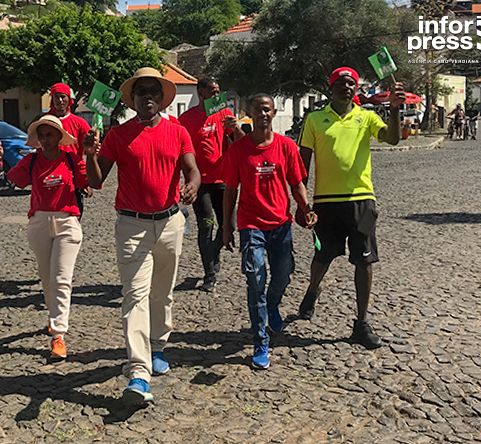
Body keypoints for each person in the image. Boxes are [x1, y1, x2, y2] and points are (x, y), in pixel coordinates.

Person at [83, 67, 200, 405]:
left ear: (161, 99)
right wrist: (90, 153)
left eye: (152, 91)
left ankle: (159, 345)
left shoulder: (177, 132)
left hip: (169, 224)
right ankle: (138, 372)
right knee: (134, 296)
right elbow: (95, 181)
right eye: (140, 91)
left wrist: (191, 185)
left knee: (162, 294)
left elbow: (192, 169)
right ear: (132, 99)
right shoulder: (118, 136)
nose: (146, 96)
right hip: (132, 227)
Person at [296, 66, 405, 349]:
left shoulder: (367, 116)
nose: (347, 86)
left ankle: (361, 322)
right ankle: (312, 289)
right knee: (323, 255)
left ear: (356, 89)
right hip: (325, 202)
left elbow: (392, 138)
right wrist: (301, 201)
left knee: (364, 260)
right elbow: (302, 163)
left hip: (361, 200)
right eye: (341, 82)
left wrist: (393, 110)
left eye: (351, 83)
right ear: (331, 87)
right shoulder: (314, 120)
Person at [222, 93, 316, 369]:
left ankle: (273, 304)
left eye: (267, 109)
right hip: (251, 225)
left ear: (274, 113)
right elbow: (230, 190)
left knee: (283, 274)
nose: (263, 114)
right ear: (249, 113)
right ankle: (260, 339)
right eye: (257, 110)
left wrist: (306, 207)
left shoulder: (286, 146)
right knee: (255, 278)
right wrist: (227, 226)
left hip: (281, 223)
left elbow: (297, 183)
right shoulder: (238, 150)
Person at [4, 115, 87, 361]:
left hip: (67, 223)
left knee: (61, 279)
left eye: (50, 134)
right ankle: (54, 318)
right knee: (47, 278)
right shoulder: (31, 161)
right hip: (39, 223)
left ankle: (58, 334)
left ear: (59, 137)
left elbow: (90, 181)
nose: (46, 139)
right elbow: (13, 181)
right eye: (42, 135)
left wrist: (91, 155)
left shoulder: (71, 160)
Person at [179, 77, 243, 293]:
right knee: (206, 225)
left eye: (218, 91)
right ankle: (210, 273)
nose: (217, 95)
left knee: (229, 225)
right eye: (212, 91)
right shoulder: (186, 119)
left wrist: (236, 129)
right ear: (201, 92)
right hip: (200, 183)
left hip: (224, 180)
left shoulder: (224, 115)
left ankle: (213, 254)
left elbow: (241, 144)